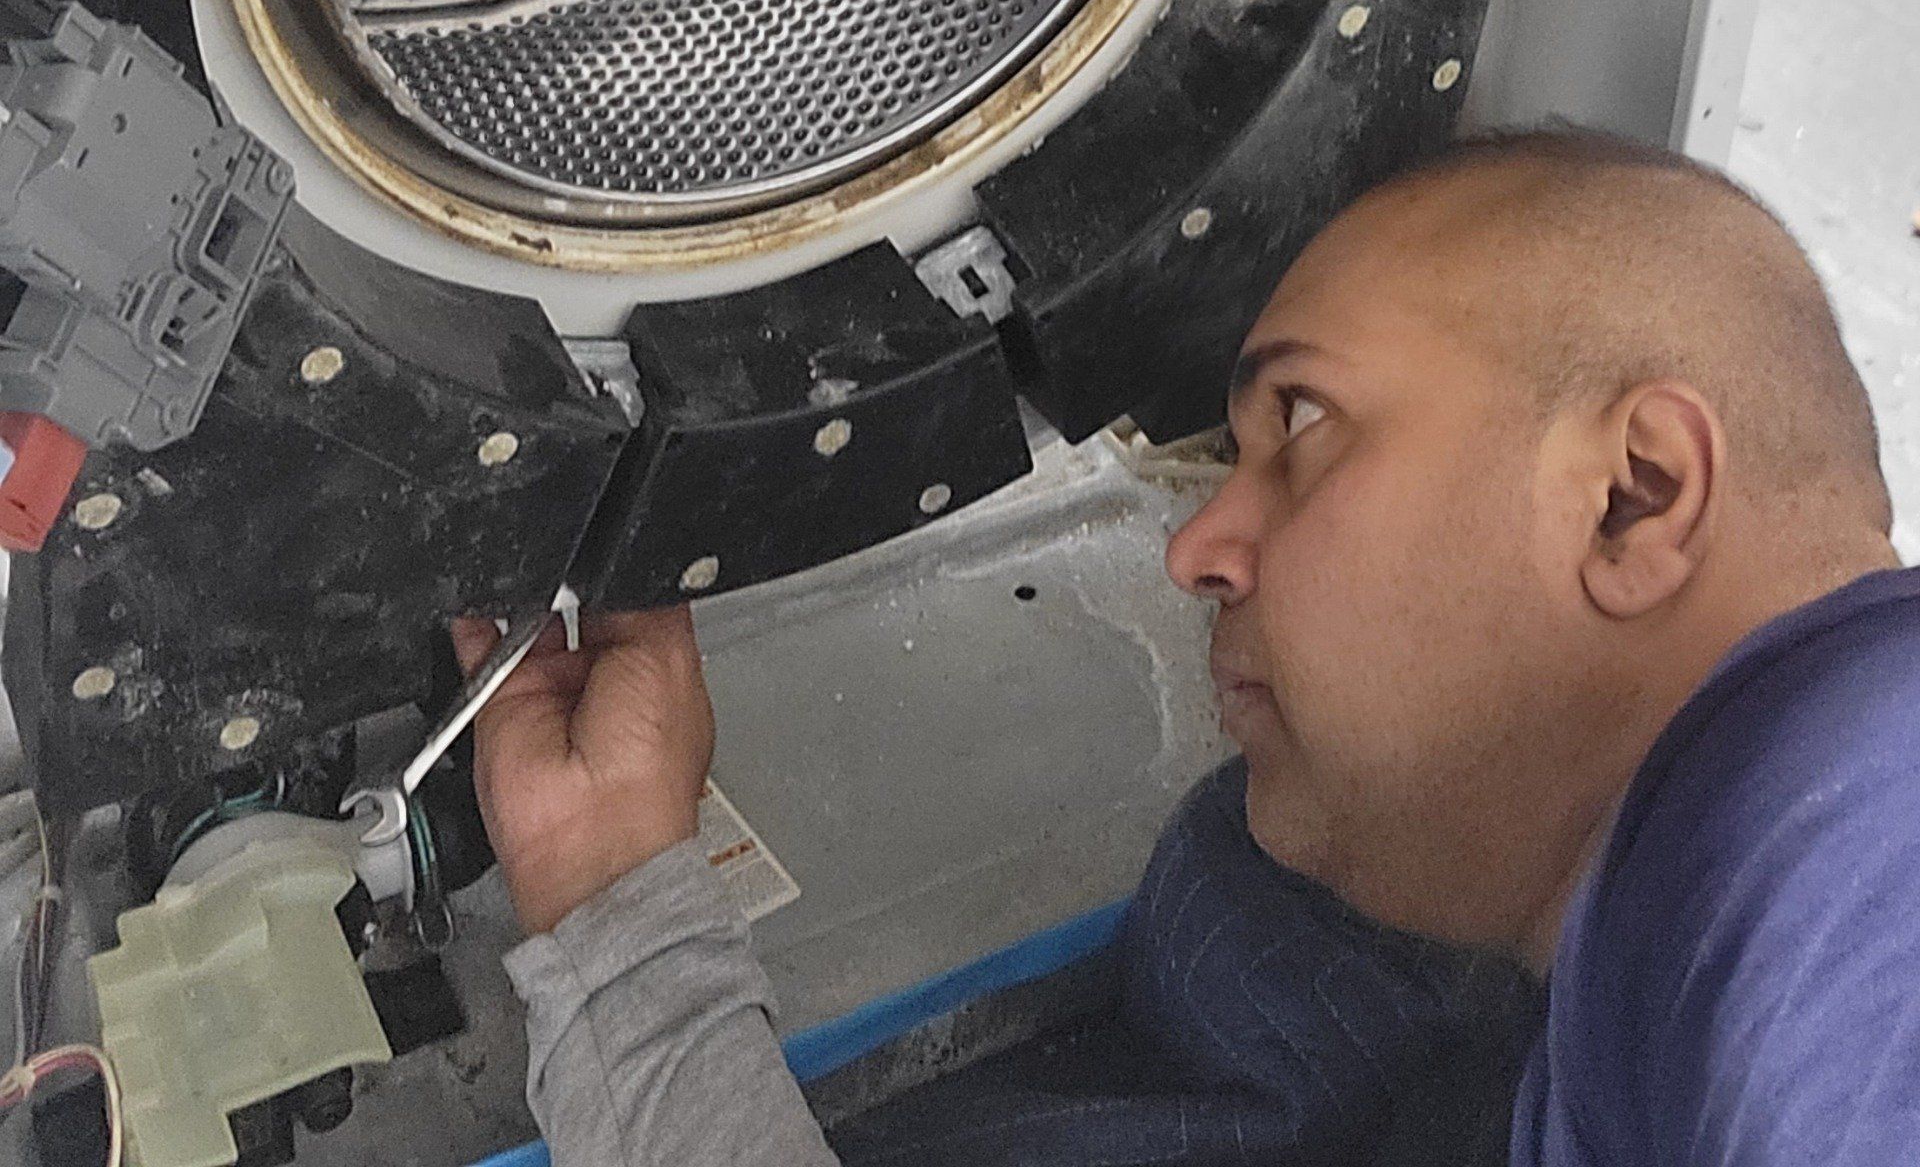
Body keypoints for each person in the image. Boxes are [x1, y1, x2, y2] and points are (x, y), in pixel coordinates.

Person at [455, 131, 1918, 1165]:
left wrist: (620, 920)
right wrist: (613, 900)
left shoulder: (1855, 883)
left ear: (1631, 495)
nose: (1194, 548)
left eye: (1304, 428)